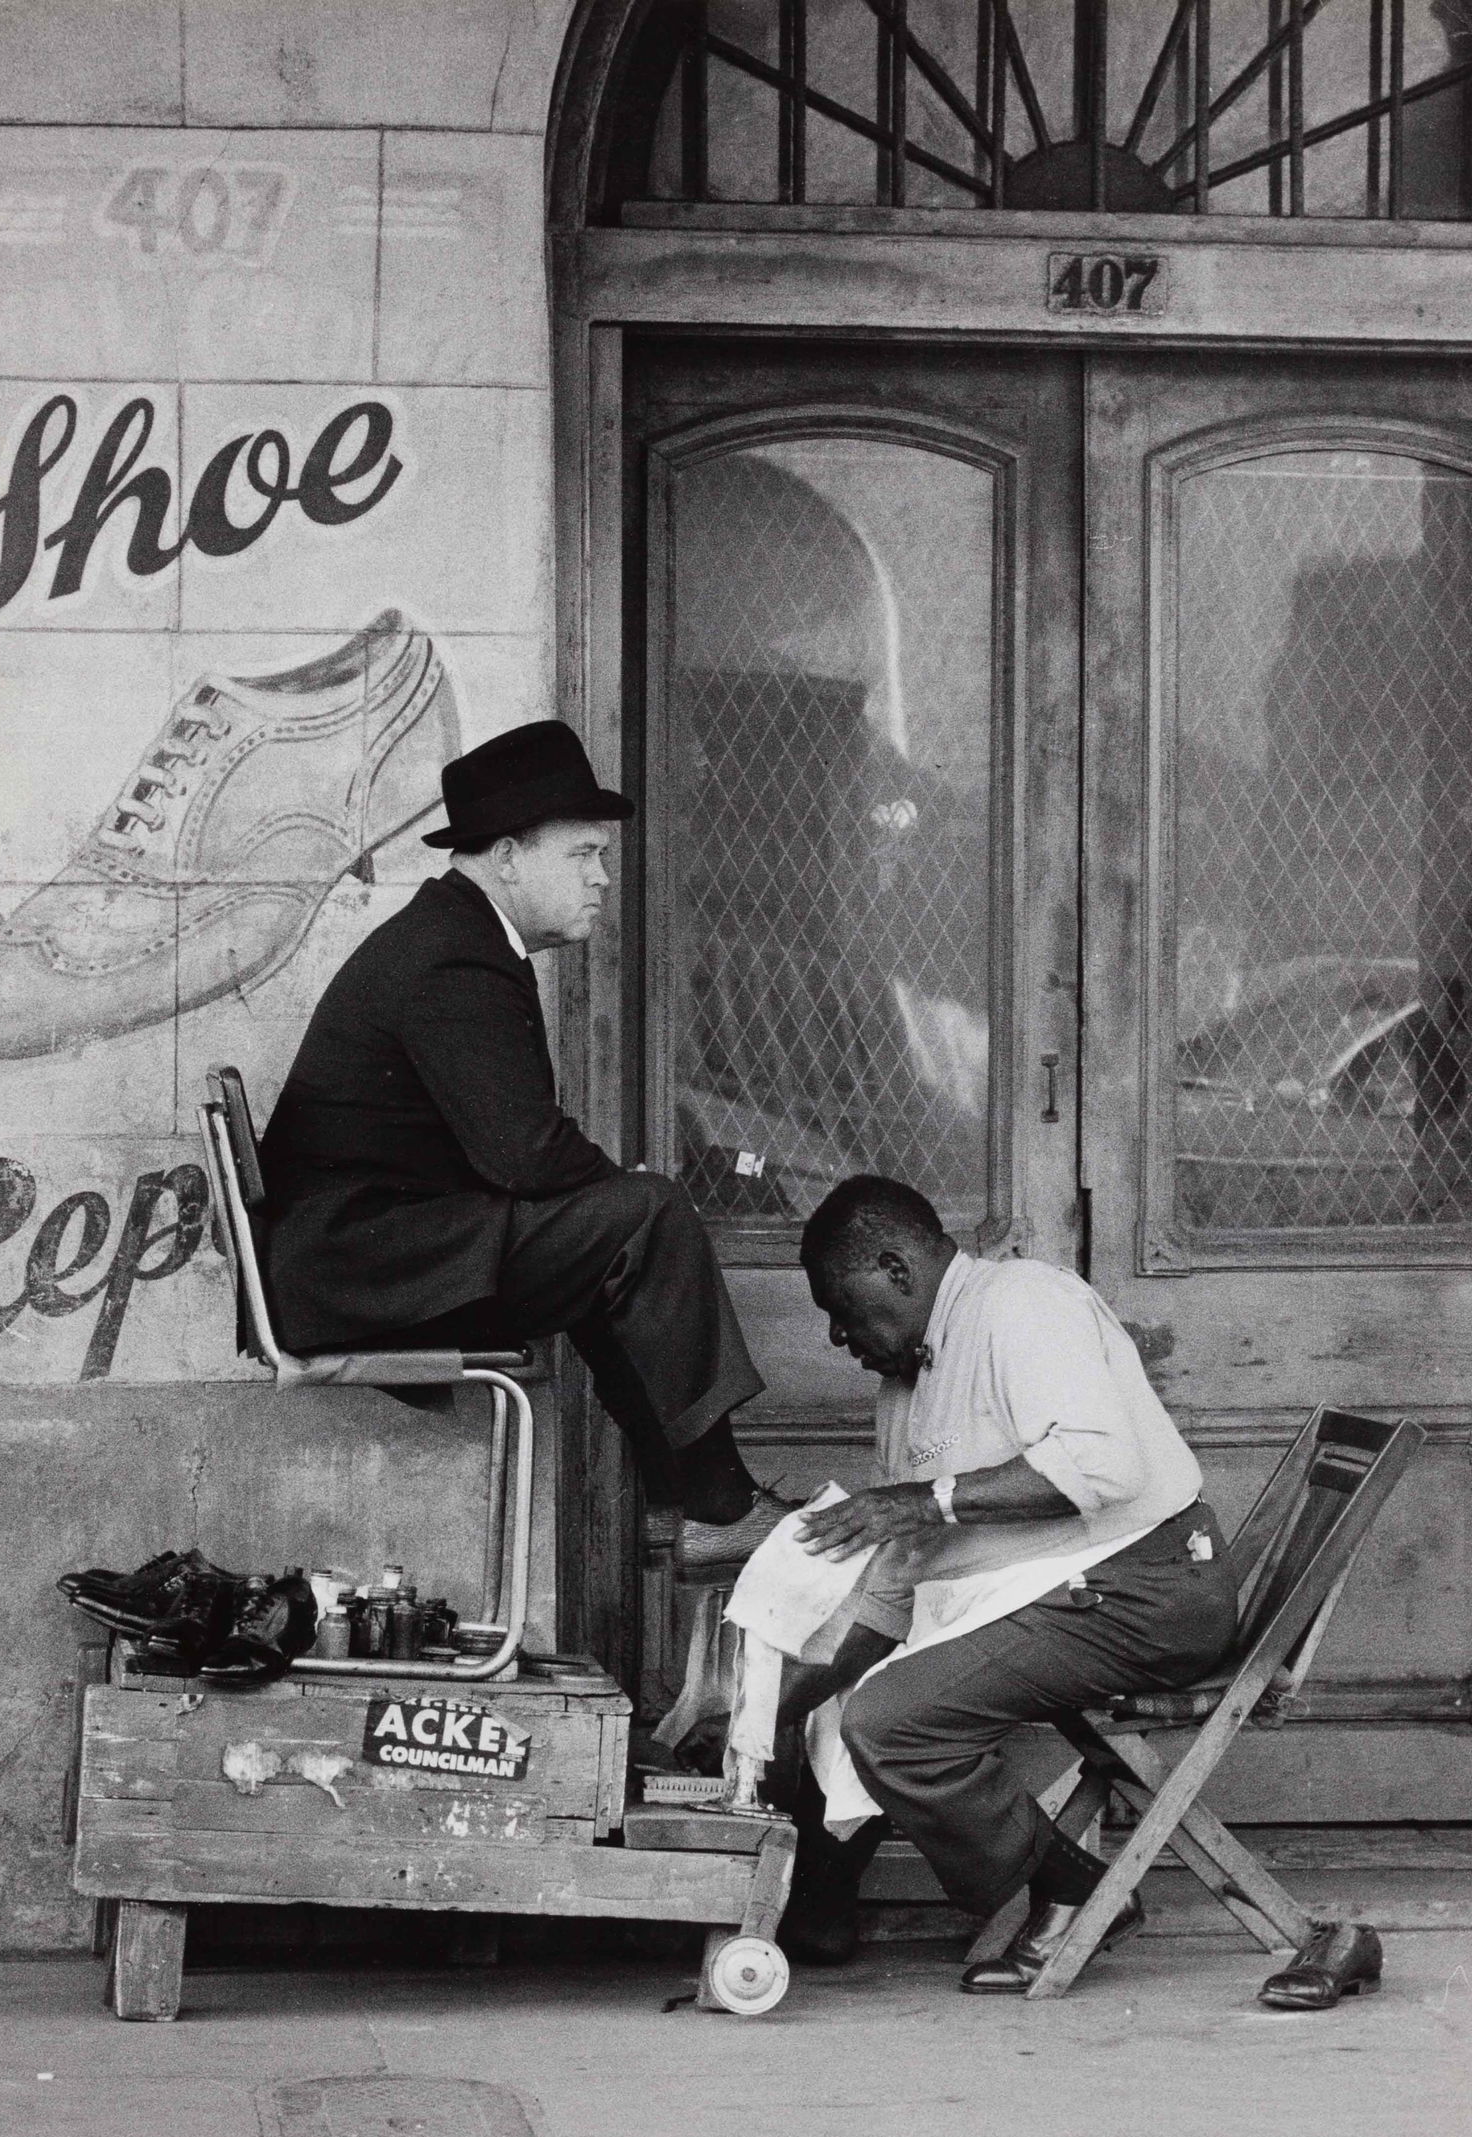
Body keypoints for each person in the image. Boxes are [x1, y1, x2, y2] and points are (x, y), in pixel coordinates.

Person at [259, 719, 786, 1544]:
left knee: (624, 1229)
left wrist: (612, 1199)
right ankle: (710, 1505)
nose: (604, 879)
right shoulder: (454, 956)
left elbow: (518, 1154)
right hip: (364, 1268)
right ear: (507, 857)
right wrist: (623, 1192)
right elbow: (524, 1152)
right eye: (582, 854)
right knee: (646, 1217)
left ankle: (689, 1504)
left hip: (376, 1252)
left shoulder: (457, 937)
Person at [771, 1174, 1237, 1992]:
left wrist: (926, 1499)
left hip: (1149, 1590)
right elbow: (900, 1570)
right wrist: (791, 1696)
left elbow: (1101, 1466)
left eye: (840, 1307)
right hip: (1062, 1592)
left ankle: (1075, 1892)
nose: (837, 1335)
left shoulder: (1023, 1302)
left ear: (896, 1267)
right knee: (844, 1702)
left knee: (892, 1721)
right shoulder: (905, 1385)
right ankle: (817, 1912)